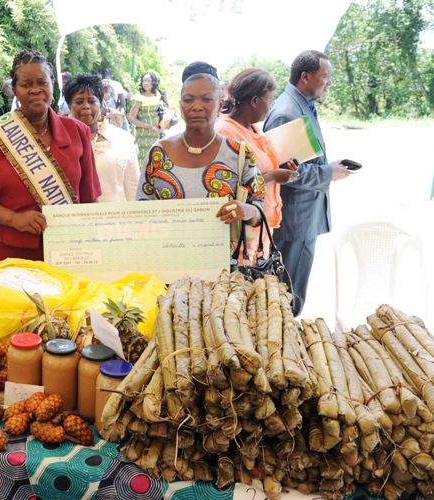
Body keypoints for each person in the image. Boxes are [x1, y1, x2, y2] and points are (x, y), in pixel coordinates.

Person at [0, 50, 101, 263]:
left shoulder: (78, 131)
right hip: (8, 254)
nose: (35, 90)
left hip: (67, 253)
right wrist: (14, 219)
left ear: (52, 85)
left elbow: (89, 198)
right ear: (15, 90)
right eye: (26, 85)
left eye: (42, 83)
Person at [263, 50, 355, 315]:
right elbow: (283, 171)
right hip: (296, 220)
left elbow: (300, 160)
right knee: (287, 294)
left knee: (292, 290)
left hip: (303, 217)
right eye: (326, 76)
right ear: (305, 77)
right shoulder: (287, 112)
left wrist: (328, 168)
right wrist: (328, 173)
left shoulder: (301, 105)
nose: (330, 82)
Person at [137, 73, 266, 247]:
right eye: (188, 100)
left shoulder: (240, 153)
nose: (196, 106)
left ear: (220, 106)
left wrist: (247, 210)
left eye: (206, 99)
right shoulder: (158, 153)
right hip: (166, 258)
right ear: (181, 106)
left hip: (223, 262)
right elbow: (141, 210)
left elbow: (259, 209)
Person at [216, 68, 297, 258]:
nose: (271, 106)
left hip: (261, 227)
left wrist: (283, 169)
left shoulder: (252, 129)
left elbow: (258, 167)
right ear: (254, 101)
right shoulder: (225, 132)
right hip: (242, 235)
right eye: (269, 99)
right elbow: (226, 186)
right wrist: (274, 176)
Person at [65, 73, 139, 202]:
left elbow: (134, 190)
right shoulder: (60, 142)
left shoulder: (124, 140)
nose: (86, 106)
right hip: (73, 215)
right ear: (69, 106)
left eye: (91, 101)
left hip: (116, 215)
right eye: (79, 101)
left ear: (101, 104)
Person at [128, 71, 167, 167]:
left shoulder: (158, 95)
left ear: (154, 82)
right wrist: (149, 126)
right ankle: (142, 176)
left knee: (156, 156)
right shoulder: (138, 98)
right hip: (143, 135)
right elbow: (131, 118)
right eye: (144, 81)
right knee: (144, 158)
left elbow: (163, 111)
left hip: (157, 132)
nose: (145, 83)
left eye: (148, 81)